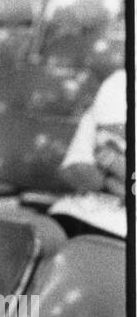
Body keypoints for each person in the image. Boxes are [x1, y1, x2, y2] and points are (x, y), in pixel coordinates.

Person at [49, 69, 126, 239]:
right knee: (30, 240)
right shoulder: (117, 83)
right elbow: (74, 171)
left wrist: (110, 163)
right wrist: (110, 180)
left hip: (124, 233)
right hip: (76, 212)